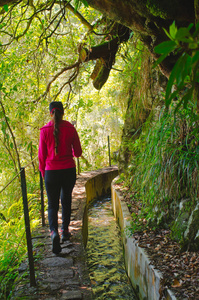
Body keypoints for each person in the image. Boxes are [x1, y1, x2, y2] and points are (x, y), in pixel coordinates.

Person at [38, 101, 82, 254]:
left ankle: (53, 232)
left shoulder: (44, 130)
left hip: (51, 172)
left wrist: (44, 174)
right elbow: (78, 153)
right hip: (68, 170)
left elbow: (41, 157)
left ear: (51, 113)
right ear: (63, 113)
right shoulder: (70, 128)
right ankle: (65, 231)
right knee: (66, 199)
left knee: (52, 204)